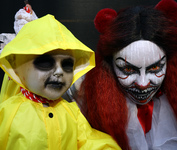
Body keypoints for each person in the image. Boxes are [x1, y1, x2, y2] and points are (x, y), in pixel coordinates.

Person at [78, 0, 177, 149]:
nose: (143, 84)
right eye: (128, 70)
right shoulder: (83, 100)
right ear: (110, 66)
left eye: (155, 68)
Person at [0, 14, 121, 150]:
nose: (59, 72)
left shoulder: (71, 112)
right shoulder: (6, 113)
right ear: (17, 67)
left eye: (67, 65)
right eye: (45, 63)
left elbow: (90, 141)